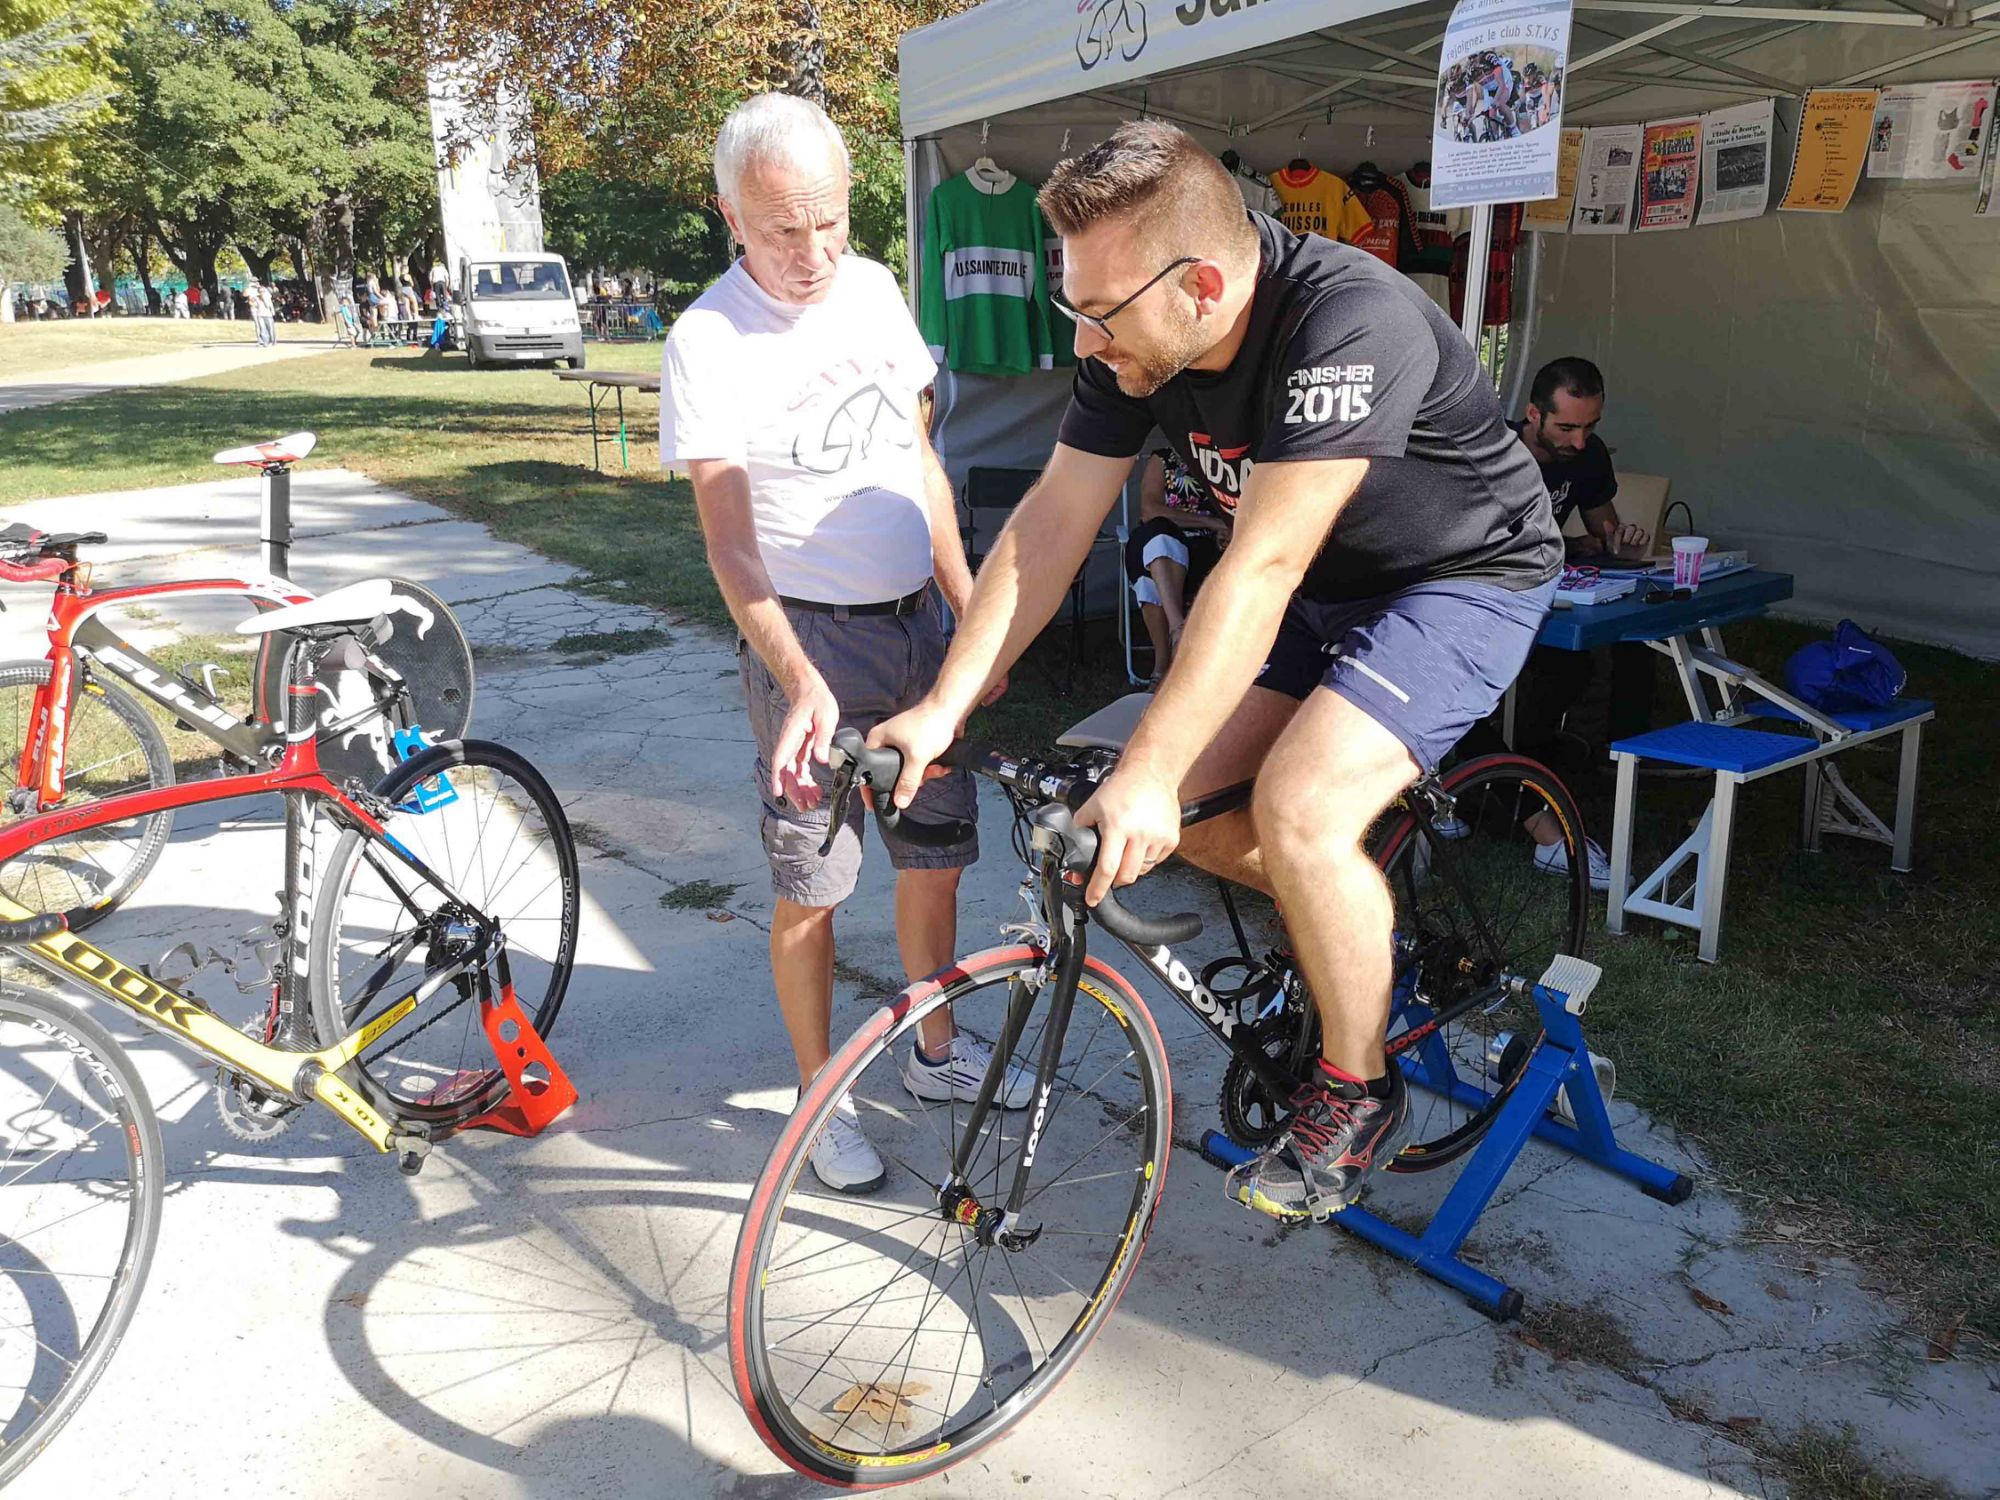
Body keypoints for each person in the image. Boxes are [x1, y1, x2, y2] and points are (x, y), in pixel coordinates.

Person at [870, 120, 1561, 1223]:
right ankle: (1349, 914)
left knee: (1293, 806)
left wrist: (1154, 768)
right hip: (1315, 578)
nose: (1084, 341)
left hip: (1458, 578)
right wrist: (942, 707)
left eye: (1099, 314)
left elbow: (1262, 564)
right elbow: (1053, 522)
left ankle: (1359, 1089)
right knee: (1149, 802)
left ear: (1199, 284)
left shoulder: (1347, 320)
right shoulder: (1138, 338)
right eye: (1073, 307)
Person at [659, 92, 1030, 1195]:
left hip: (918, 626)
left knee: (937, 857)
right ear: (730, 215)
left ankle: (933, 1053)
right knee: (811, 884)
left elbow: (920, 461)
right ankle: (820, 1096)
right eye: (783, 229)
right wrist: (800, 679)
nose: (814, 252)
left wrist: (970, 609)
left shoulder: (871, 288)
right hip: (809, 642)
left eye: (830, 221)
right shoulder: (707, 340)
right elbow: (730, 550)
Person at [1507, 356, 1656, 790]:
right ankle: (1528, 765)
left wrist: (1618, 545)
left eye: (1590, 426)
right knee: (1561, 664)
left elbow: (1604, 531)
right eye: (1567, 428)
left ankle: (1622, 757)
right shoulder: (1497, 453)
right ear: (1534, 414)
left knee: (1634, 638)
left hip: (1554, 585)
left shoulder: (1589, 455)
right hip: (1498, 588)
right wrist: (1570, 546)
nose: (1579, 440)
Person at [1126, 447, 1230, 679]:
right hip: (1156, 541)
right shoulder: (1164, 458)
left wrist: (1228, 530)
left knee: (1151, 574)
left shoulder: (1225, 462)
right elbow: (1149, 510)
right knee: (1159, 538)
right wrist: (1213, 523)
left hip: (1204, 550)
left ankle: (1162, 668)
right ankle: (1178, 632)